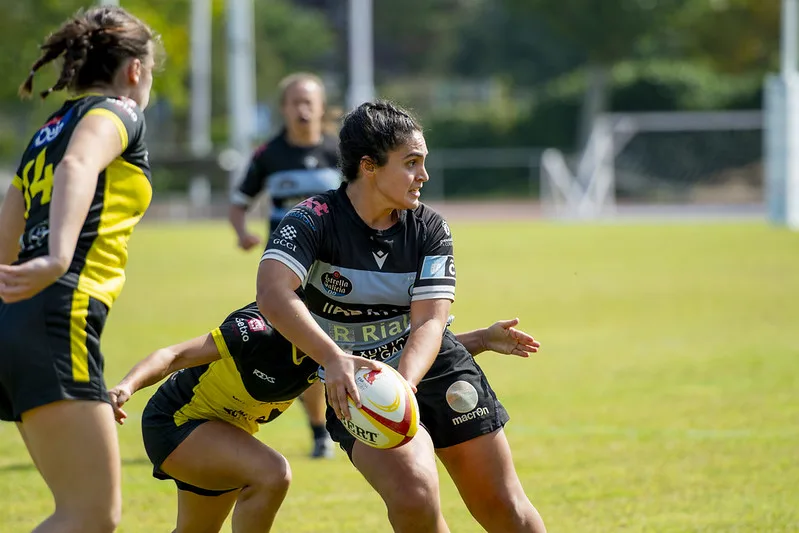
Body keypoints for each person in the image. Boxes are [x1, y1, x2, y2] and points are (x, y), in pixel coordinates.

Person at [257, 101, 548, 533]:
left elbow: (430, 322)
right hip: (353, 384)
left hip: (430, 367)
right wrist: (333, 357)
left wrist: (402, 387)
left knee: (505, 508)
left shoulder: (430, 229)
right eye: (411, 163)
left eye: (424, 162)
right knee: (414, 494)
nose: (423, 176)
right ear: (369, 166)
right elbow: (272, 294)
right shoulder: (313, 220)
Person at [108, 301, 538, 533]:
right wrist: (125, 387)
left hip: (227, 431)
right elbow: (174, 355)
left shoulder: (332, 345)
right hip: (178, 422)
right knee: (272, 473)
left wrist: (481, 338)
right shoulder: (260, 328)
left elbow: (385, 370)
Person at [0, 6, 157, 533]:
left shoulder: (47, 129)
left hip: (19, 317)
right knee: (90, 513)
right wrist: (58, 256)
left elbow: (11, 214)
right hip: (57, 311)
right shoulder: (119, 111)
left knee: (80, 509)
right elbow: (79, 164)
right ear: (135, 69)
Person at [228, 72, 341, 458]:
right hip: (288, 272)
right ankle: (319, 431)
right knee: (305, 349)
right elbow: (239, 201)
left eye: (309, 101)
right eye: (295, 101)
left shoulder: (338, 152)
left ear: (322, 106)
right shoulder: (268, 155)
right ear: (283, 108)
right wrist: (242, 232)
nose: (303, 108)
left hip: (338, 268)